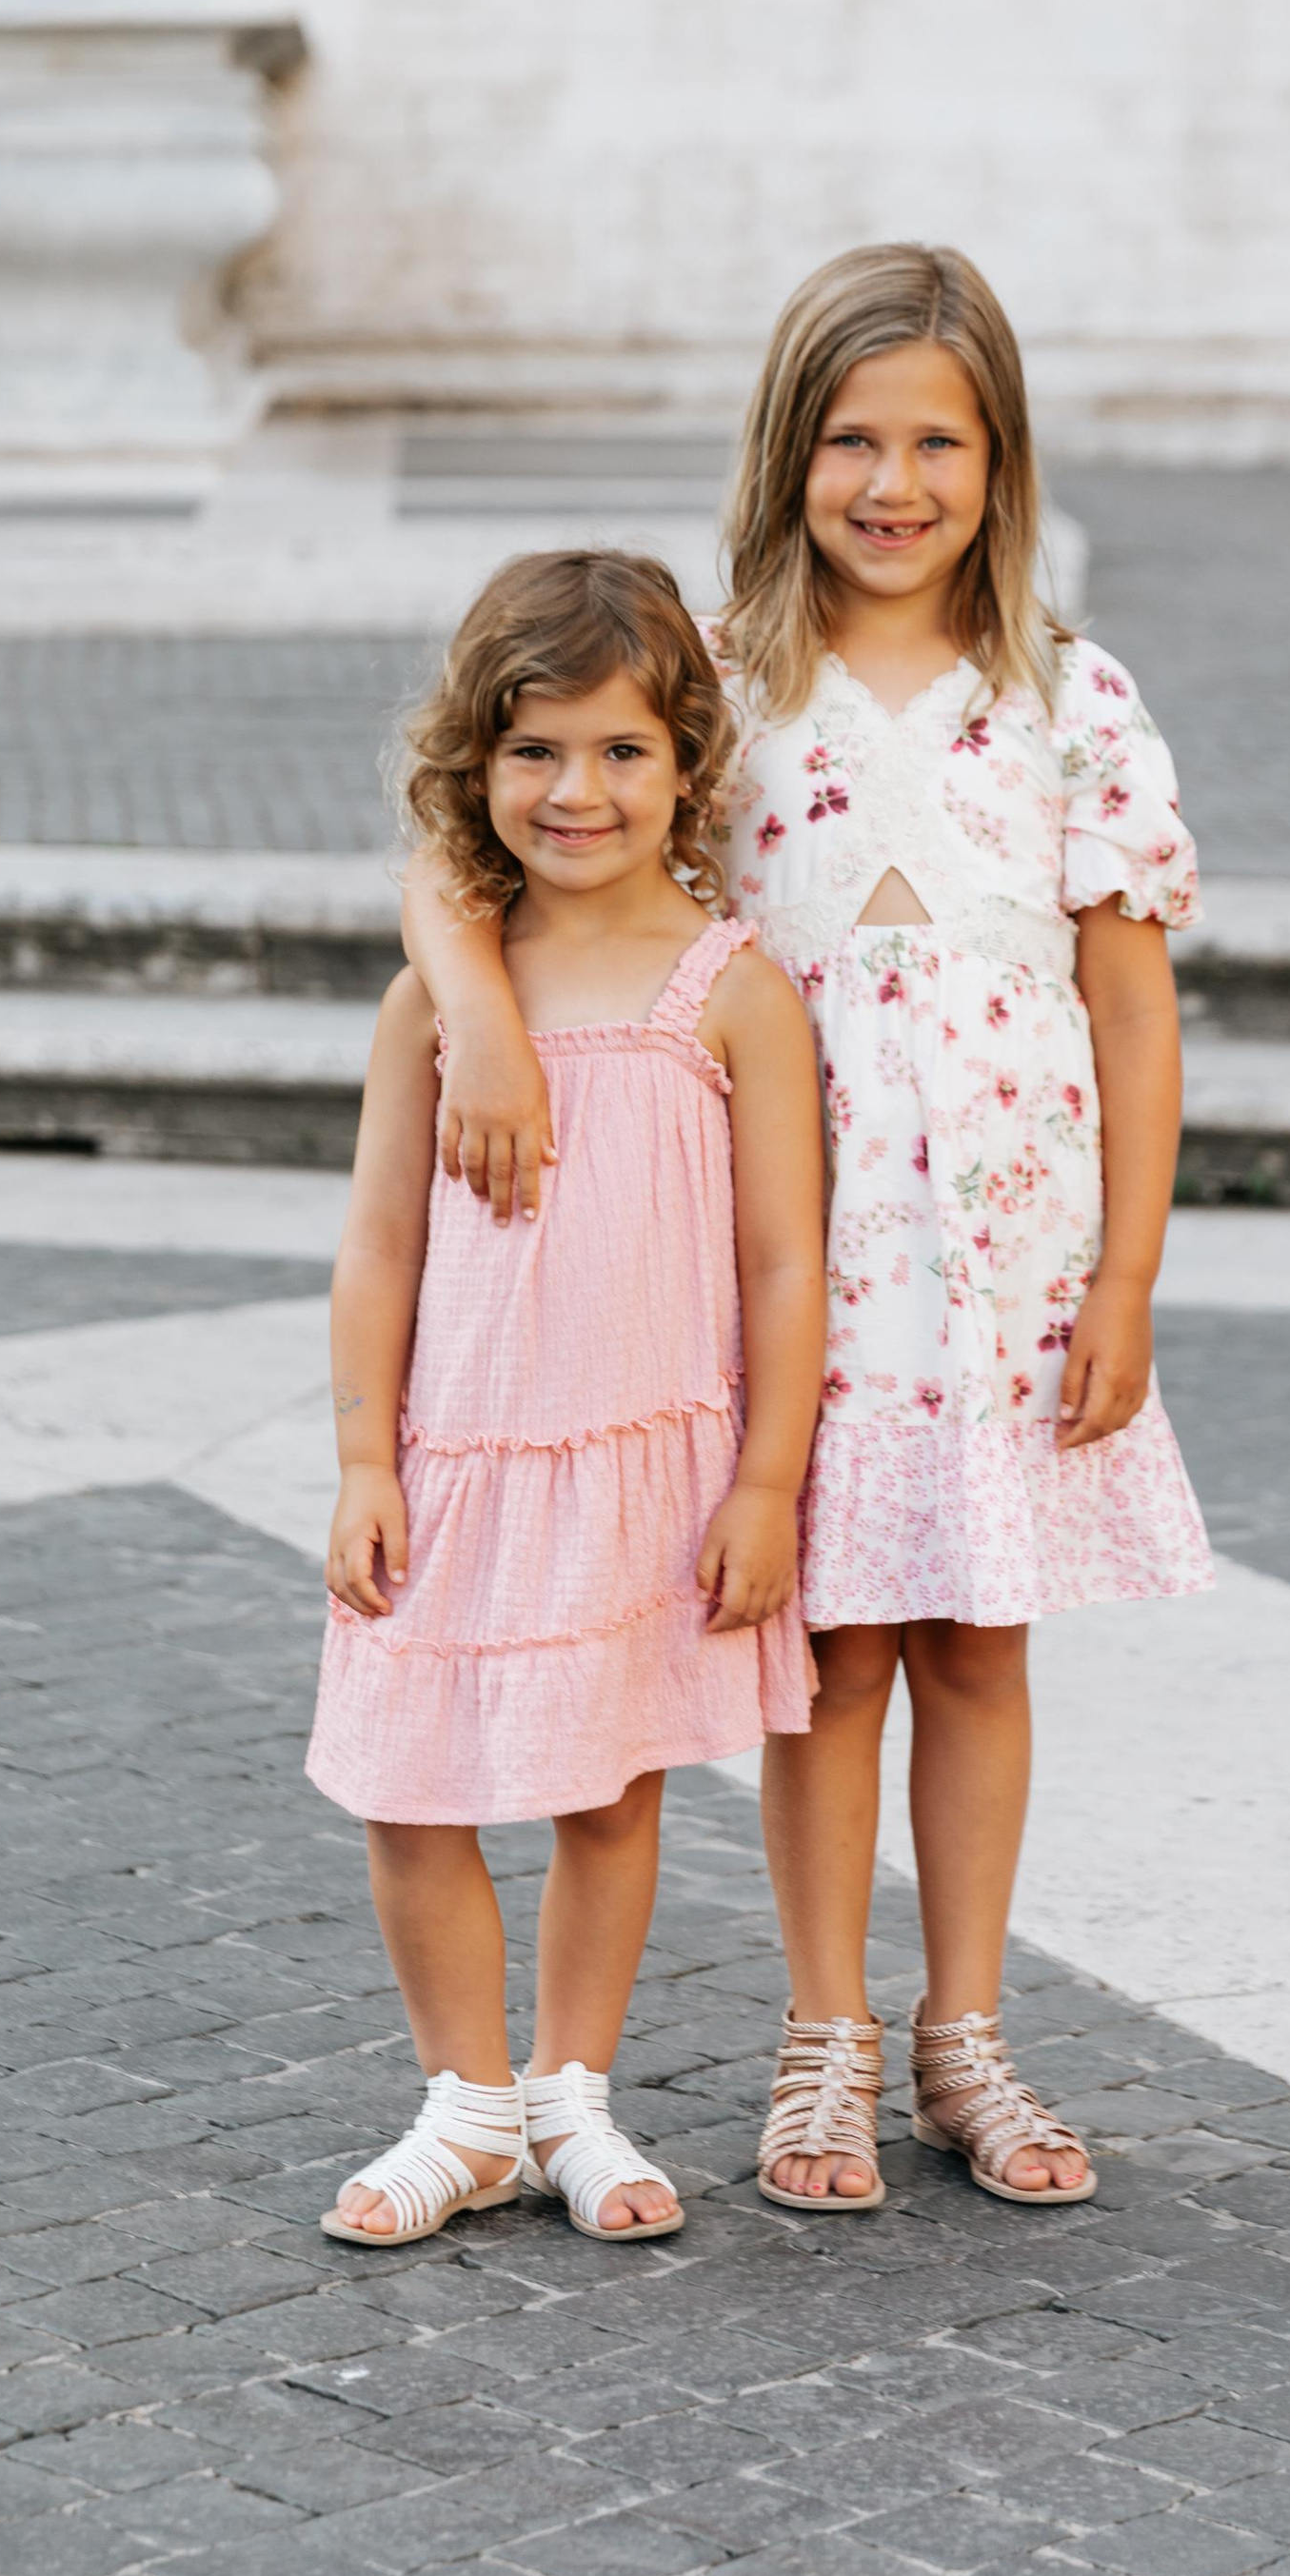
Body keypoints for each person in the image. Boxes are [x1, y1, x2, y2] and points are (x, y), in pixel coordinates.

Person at [409, 246, 1213, 2212]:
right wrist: (481, 1022)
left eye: (937, 442)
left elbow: (1131, 1008)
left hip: (1002, 1260)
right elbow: (457, 849)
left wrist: (1125, 1276)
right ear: (788, 450)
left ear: (996, 461)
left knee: (977, 1643)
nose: (892, 482)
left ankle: (965, 2033)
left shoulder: (1071, 697)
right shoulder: (717, 679)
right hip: (786, 1254)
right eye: (853, 439)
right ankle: (823, 2035)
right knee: (828, 1655)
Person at [311, 547, 825, 2246]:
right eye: (533, 750)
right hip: (456, 1459)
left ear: (688, 765)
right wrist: (363, 1462)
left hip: (642, 1468)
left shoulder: (732, 991)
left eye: (620, 751)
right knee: (410, 1787)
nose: (575, 790)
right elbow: (379, 1245)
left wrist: (766, 1482)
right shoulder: (440, 999)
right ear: (477, 764)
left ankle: (569, 2099)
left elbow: (783, 1264)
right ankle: (464, 2109)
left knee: (609, 1797)